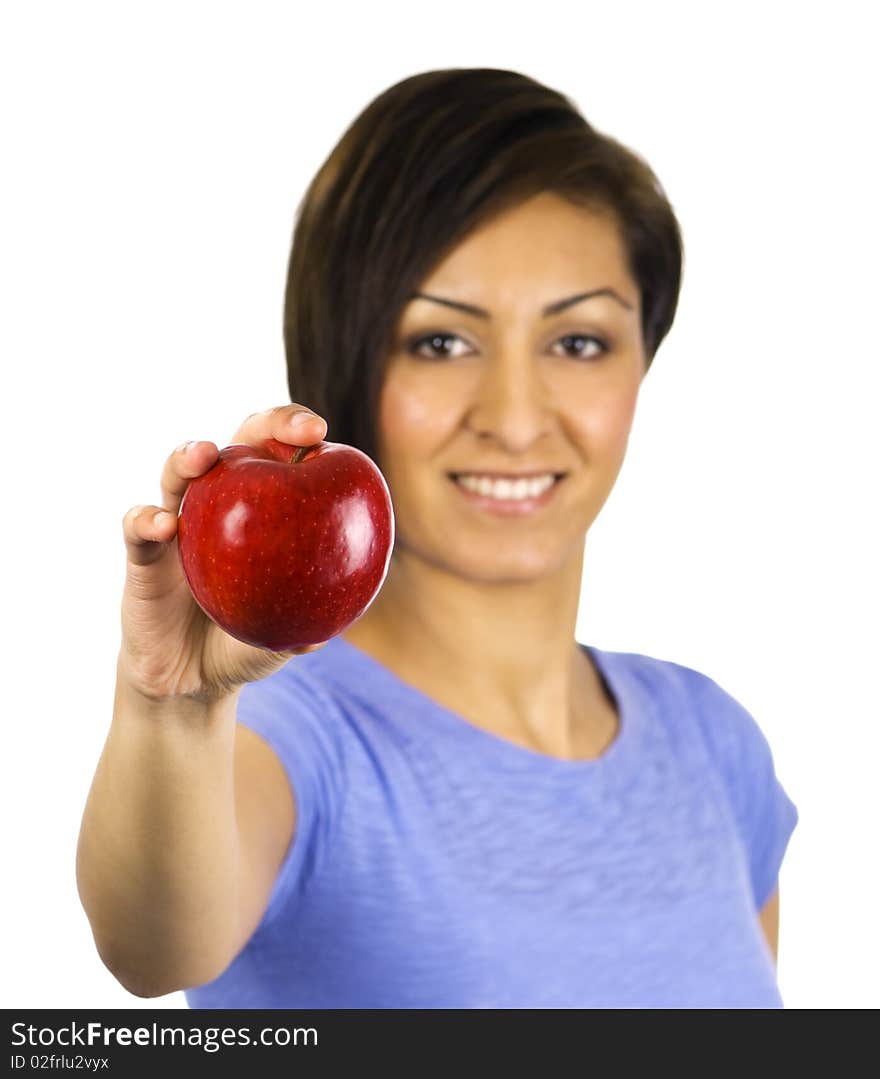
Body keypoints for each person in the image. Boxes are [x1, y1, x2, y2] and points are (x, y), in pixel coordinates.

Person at [76, 67, 799, 1008]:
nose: (514, 415)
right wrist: (169, 706)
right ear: (349, 356)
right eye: (442, 343)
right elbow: (151, 948)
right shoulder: (282, 738)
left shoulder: (715, 744)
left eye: (578, 341)